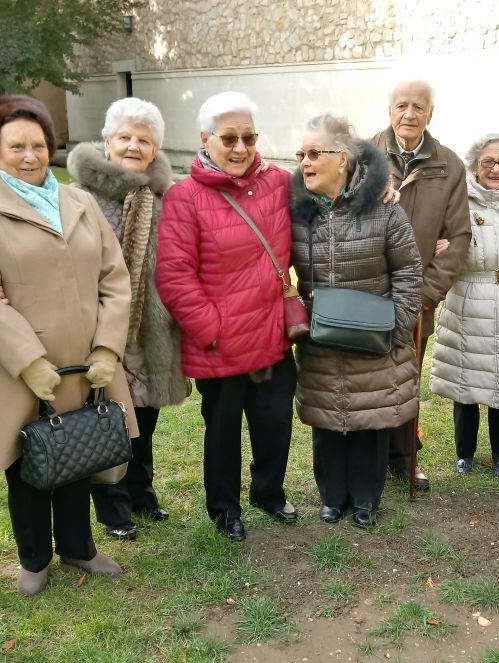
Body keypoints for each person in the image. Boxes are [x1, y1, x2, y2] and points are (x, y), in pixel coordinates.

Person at [0, 95, 138, 596]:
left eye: (38, 144)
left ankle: (79, 547)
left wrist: (107, 349)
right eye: (17, 146)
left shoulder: (78, 202)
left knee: (78, 449)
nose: (30, 155)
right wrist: (28, 362)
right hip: (23, 365)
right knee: (29, 459)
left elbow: (115, 279)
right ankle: (34, 557)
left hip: (85, 359)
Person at [156, 91, 298, 541]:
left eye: (249, 138)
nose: (240, 148)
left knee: (275, 422)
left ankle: (269, 493)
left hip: (273, 334)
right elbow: (175, 276)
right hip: (220, 341)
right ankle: (224, 510)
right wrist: (212, 331)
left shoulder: (278, 182)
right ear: (205, 139)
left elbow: (334, 189)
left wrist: (383, 187)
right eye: (230, 138)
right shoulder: (185, 196)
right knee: (222, 433)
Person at [66, 98, 190, 541]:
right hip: (98, 327)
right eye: (125, 137)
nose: (134, 146)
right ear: (107, 142)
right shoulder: (78, 196)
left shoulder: (167, 197)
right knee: (107, 416)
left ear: (155, 149)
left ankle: (142, 493)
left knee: (145, 417)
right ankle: (113, 508)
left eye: (144, 139)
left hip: (151, 329)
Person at [289, 114, 422, 528]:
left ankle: (366, 499)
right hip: (321, 337)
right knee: (327, 419)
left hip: (374, 336)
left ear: (342, 160)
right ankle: (332, 497)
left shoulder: (383, 210)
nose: (305, 162)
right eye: (301, 154)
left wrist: (396, 326)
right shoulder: (296, 210)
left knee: (371, 419)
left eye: (315, 153)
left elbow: (409, 270)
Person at [370, 79, 471, 492]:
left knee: (405, 379)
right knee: (368, 381)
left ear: (432, 113)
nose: (409, 114)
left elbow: (458, 238)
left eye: (419, 107)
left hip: (417, 299)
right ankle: (369, 459)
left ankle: (404, 458)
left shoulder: (448, 165)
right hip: (367, 294)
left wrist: (424, 294)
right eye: (402, 105)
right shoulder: (361, 156)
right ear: (389, 109)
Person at [430, 133, 499, 478]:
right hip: (468, 296)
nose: (496, 168)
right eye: (487, 162)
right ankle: (465, 452)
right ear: (475, 165)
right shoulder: (457, 199)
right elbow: (436, 235)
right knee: (465, 381)